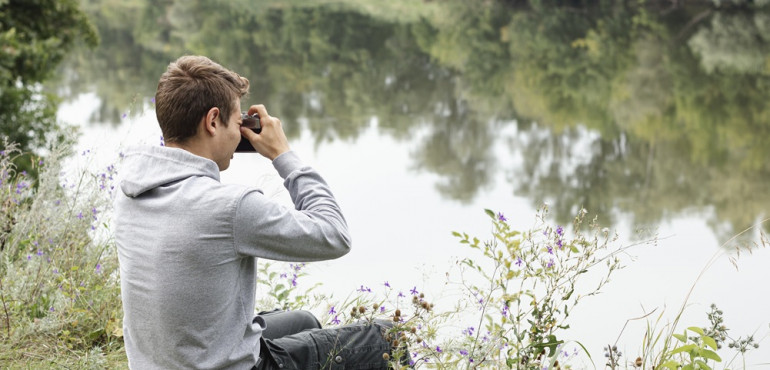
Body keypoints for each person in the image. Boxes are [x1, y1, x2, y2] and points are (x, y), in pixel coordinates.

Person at [113, 55, 394, 369]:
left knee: (303, 321)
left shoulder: (130, 188)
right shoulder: (230, 207)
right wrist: (282, 154)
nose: (240, 134)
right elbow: (334, 235)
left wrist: (229, 136)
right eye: (238, 124)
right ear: (212, 121)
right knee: (386, 338)